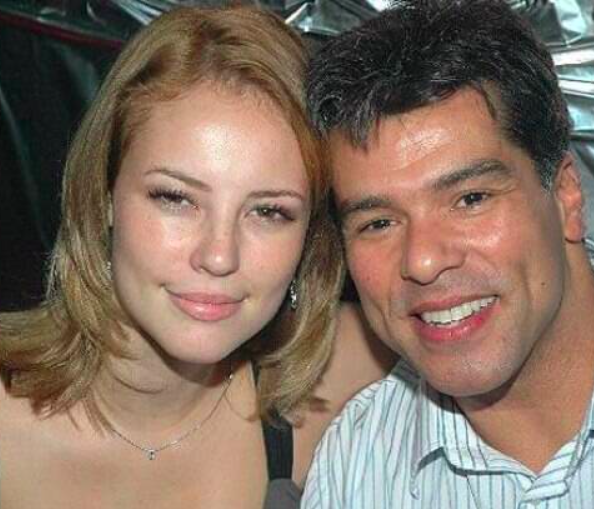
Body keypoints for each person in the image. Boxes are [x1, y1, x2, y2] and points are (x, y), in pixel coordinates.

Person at [301, 0, 594, 507]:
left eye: (470, 199)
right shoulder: (357, 468)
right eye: (378, 223)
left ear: (566, 195)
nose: (423, 260)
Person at [0, 5, 393, 508]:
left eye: (269, 211)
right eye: (176, 198)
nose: (219, 256)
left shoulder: (355, 372)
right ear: (104, 195)